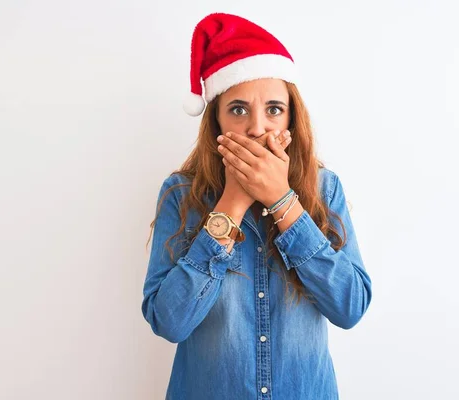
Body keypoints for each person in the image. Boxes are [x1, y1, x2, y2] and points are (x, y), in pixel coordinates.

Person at [141, 12, 373, 400]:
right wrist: (233, 202)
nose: (257, 128)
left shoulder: (324, 188)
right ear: (215, 119)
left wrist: (283, 202)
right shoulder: (181, 194)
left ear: (292, 118)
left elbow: (350, 307)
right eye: (238, 109)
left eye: (273, 109)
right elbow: (169, 322)